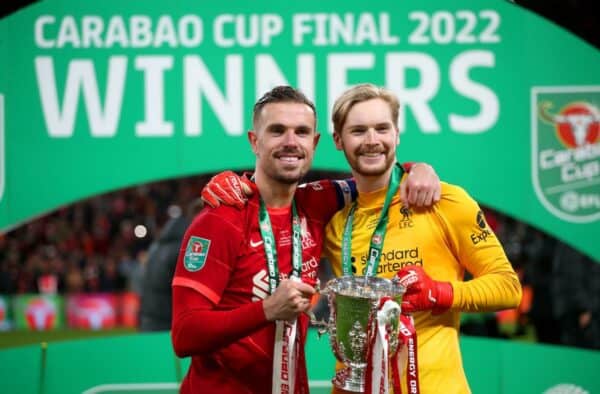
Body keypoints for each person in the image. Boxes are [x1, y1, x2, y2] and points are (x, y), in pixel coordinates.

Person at [171, 86, 441, 394]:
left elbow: (377, 176)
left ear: (314, 143)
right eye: (277, 131)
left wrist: (418, 169)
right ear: (254, 142)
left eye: (301, 132)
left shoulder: (319, 201)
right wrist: (267, 309)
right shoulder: (221, 219)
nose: (290, 142)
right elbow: (184, 335)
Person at [322, 84, 522, 393]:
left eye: (382, 128)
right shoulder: (334, 221)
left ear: (397, 134)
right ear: (338, 140)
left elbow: (508, 288)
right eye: (358, 131)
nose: (372, 141)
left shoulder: (445, 201)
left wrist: (439, 293)